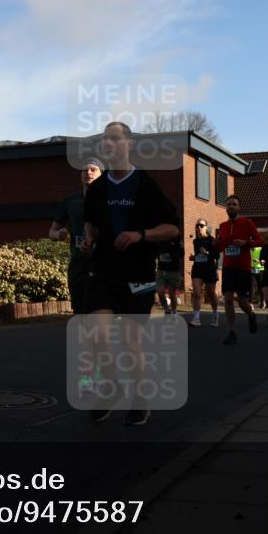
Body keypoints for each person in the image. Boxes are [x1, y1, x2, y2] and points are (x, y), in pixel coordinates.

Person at [81, 121, 179, 426]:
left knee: (129, 341)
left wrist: (140, 235)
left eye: (114, 138)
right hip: (104, 271)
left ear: (129, 144)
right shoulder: (96, 189)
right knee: (97, 334)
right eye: (104, 139)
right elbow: (91, 224)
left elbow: (172, 228)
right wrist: (89, 240)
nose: (107, 143)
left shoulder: (145, 185)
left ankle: (139, 398)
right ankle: (111, 387)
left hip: (138, 274)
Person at [51, 158, 103, 314]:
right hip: (78, 265)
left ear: (101, 174)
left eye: (93, 169)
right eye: (84, 170)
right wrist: (59, 234)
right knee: (80, 312)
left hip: (104, 265)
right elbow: (51, 232)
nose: (88, 172)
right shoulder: (70, 201)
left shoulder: (110, 200)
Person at [214, 195, 263, 345]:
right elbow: (221, 247)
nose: (231, 206)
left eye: (234, 204)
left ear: (239, 207)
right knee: (228, 299)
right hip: (228, 268)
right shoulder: (222, 226)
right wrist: (216, 243)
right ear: (226, 208)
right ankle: (232, 332)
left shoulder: (247, 223)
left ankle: (250, 313)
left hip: (243, 268)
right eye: (228, 204)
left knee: (242, 301)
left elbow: (260, 241)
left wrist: (245, 242)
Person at [188, 219, 220, 326]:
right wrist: (194, 257)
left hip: (209, 270)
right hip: (197, 269)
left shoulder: (212, 240)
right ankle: (196, 318)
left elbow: (217, 256)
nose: (199, 227)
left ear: (206, 227)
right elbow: (198, 255)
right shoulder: (196, 241)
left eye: (201, 225)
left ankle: (215, 315)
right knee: (196, 294)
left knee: (210, 294)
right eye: (197, 225)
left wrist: (206, 252)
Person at [155, 236, 184, 314]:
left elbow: (181, 253)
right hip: (161, 270)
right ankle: (166, 309)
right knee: (160, 292)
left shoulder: (177, 239)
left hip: (173, 270)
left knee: (171, 293)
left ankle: (174, 311)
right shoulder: (159, 238)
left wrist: (170, 255)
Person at [250, 244, 265, 309]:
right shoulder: (249, 250)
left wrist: (258, 261)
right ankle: (251, 303)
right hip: (251, 269)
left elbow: (264, 261)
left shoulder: (261, 249)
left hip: (260, 270)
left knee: (260, 287)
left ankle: (263, 301)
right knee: (251, 287)